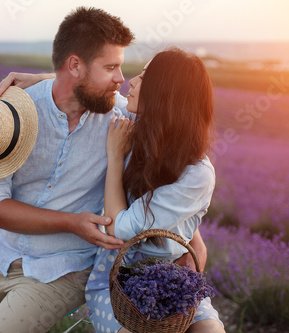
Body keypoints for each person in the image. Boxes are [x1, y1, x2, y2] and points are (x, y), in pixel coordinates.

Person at [0, 7, 134, 333]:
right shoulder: (12, 113)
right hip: (5, 258)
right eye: (110, 67)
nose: (120, 79)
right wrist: (72, 222)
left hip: (66, 268)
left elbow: (176, 146)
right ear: (75, 66)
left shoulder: (119, 119)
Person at [86, 48, 225, 333]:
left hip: (170, 280)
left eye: (145, 77)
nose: (131, 82)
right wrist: (37, 79)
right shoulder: (134, 125)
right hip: (115, 280)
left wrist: (115, 158)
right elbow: (89, 87)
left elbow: (124, 227)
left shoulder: (196, 172)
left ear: (165, 96)